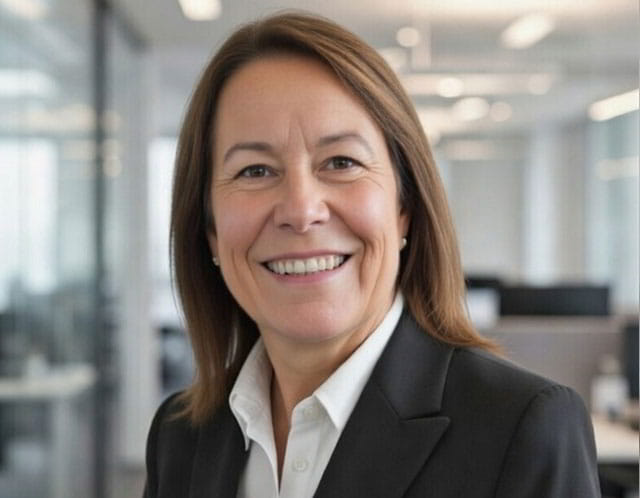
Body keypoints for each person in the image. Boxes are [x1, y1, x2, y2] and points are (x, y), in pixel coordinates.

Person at [144, 12, 600, 498]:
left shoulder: (521, 429)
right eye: (254, 171)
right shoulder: (181, 436)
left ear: (404, 207)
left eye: (341, 162)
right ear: (210, 230)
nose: (301, 211)